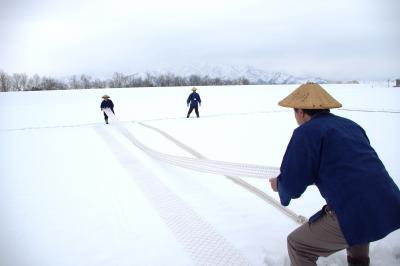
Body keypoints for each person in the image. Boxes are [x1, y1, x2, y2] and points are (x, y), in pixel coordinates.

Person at [268, 83, 400, 266]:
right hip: (390, 202)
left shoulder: (306, 133)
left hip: (356, 209)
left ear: (300, 112)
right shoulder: (351, 126)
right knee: (357, 220)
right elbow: (350, 165)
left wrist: (279, 185)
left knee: (298, 245)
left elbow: (292, 184)